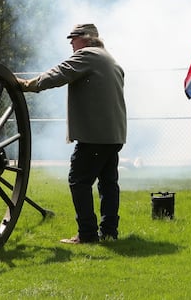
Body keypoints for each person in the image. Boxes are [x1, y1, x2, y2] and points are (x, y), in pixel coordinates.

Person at [19, 23, 126, 244]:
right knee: (108, 184)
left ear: (85, 39)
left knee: (79, 181)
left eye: (73, 38)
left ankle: (86, 235)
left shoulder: (88, 55)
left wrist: (28, 85)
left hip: (94, 136)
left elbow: (59, 73)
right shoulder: (108, 59)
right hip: (113, 134)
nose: (71, 43)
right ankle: (109, 233)